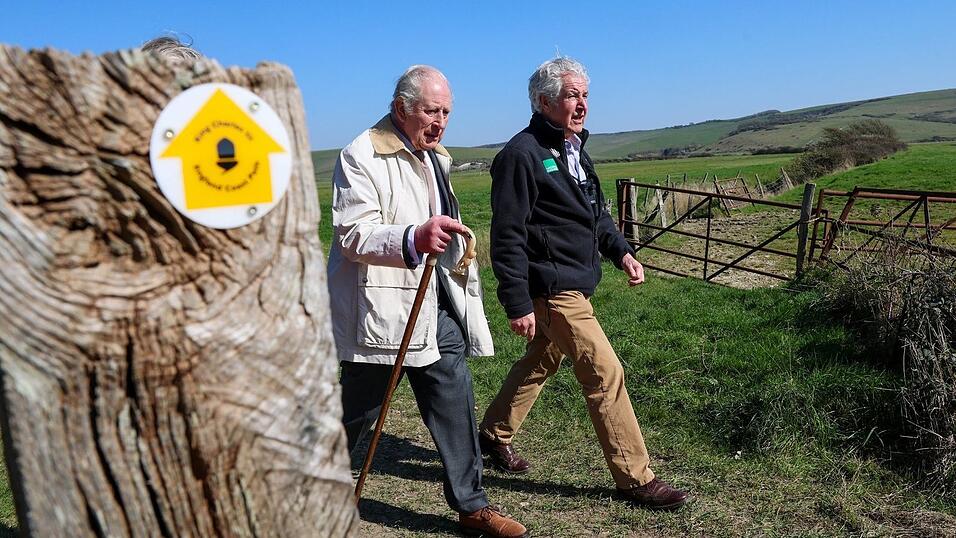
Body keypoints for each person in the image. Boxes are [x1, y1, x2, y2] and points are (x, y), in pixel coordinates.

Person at [478, 57, 689, 511]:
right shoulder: (521, 155)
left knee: (541, 361)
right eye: (572, 95)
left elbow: (596, 214)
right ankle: (635, 478)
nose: (581, 105)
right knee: (604, 370)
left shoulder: (573, 148)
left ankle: (492, 434)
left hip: (576, 279)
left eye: (585, 95)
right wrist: (517, 302)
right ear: (543, 100)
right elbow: (508, 233)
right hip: (553, 287)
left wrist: (622, 251)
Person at [327, 65, 529, 538]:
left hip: (432, 306)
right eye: (430, 111)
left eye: (446, 112)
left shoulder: (435, 155)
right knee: (356, 413)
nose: (440, 122)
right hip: (381, 311)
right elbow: (353, 235)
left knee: (455, 404)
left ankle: (471, 506)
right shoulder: (361, 154)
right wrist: (413, 236)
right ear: (401, 108)